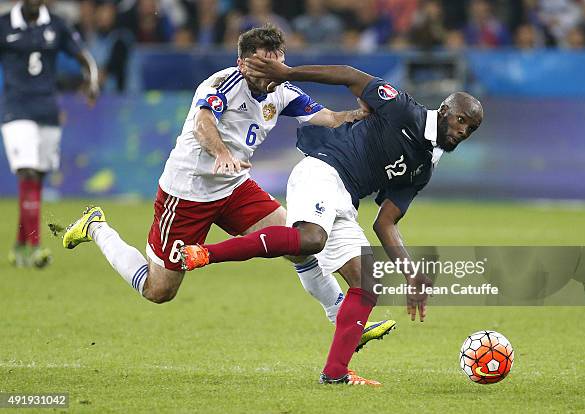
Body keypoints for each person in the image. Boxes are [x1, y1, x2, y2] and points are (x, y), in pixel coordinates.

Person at [61, 25, 395, 352]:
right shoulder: (222, 84)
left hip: (234, 187)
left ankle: (343, 318)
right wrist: (221, 153)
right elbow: (202, 123)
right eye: (264, 65)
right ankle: (96, 226)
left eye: (277, 64)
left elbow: (329, 117)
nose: (272, 73)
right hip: (188, 193)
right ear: (243, 63)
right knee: (159, 290)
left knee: (298, 244)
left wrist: (358, 114)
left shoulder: (283, 90)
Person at [179, 56, 483, 385]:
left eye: (471, 128)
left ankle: (335, 373)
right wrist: (288, 73)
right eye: (461, 120)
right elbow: (349, 75)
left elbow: (385, 223)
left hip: (346, 200)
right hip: (322, 171)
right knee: (311, 240)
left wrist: (412, 274)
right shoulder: (402, 108)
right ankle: (206, 253)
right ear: (445, 111)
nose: (463, 131)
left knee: (368, 283)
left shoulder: (423, 167)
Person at [1, 0, 99, 267]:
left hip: (48, 112)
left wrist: (91, 81)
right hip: (15, 111)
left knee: (36, 180)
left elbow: (82, 56)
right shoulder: (4, 24)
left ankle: (19, 245)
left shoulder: (56, 25)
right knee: (28, 172)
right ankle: (35, 247)